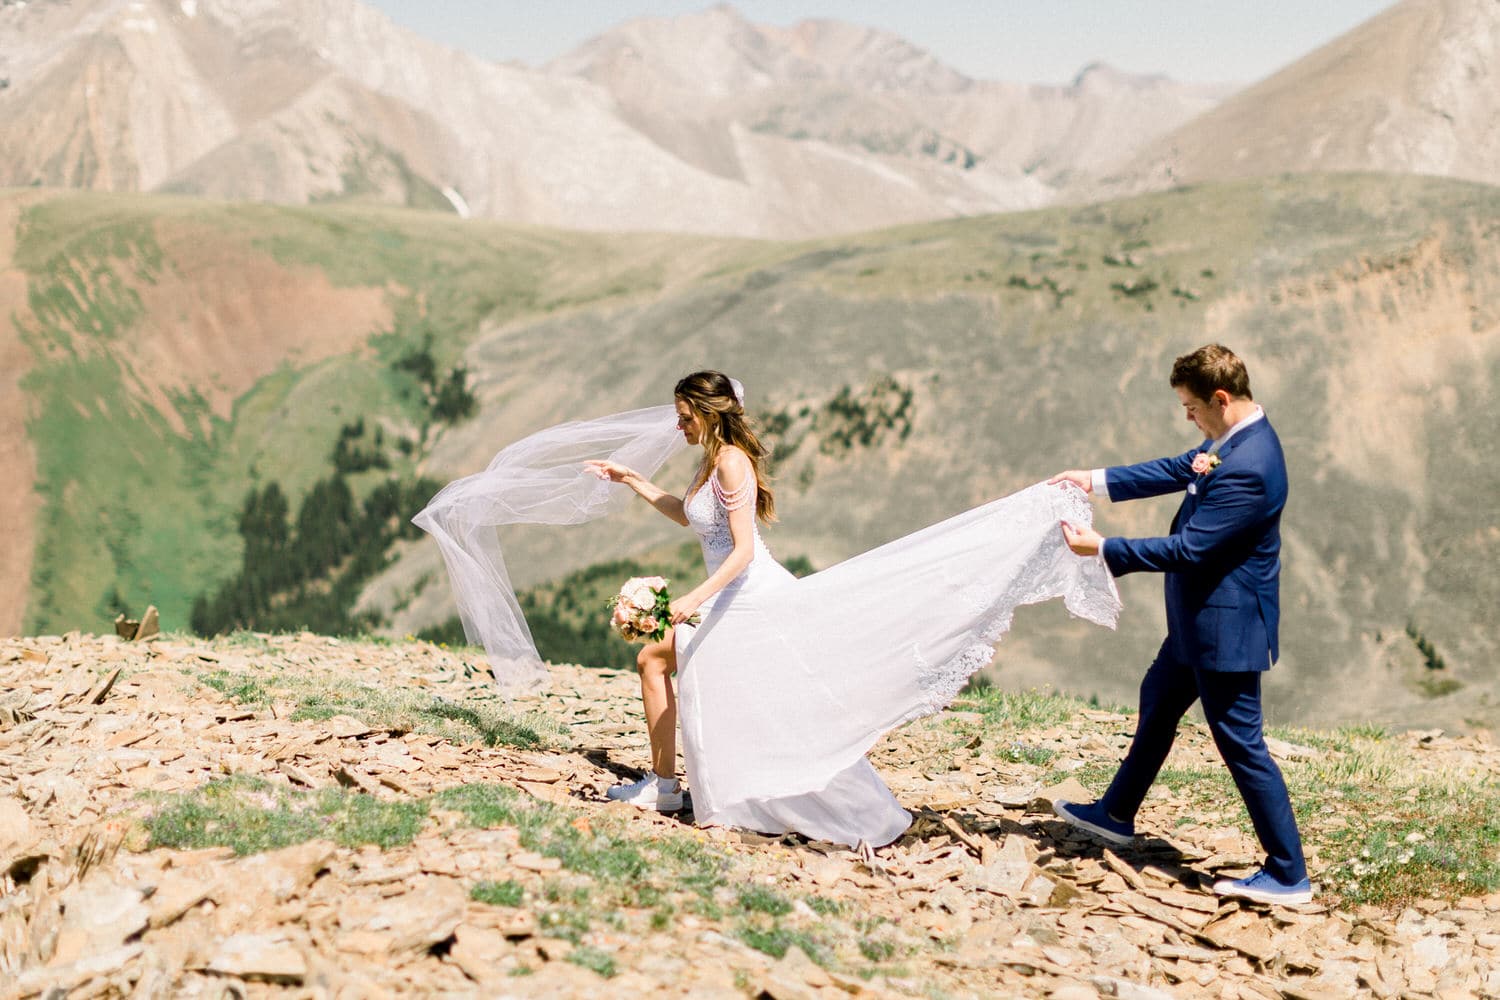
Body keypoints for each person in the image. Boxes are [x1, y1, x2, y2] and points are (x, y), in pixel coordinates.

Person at [416, 369, 1121, 850]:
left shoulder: (731, 464)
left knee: (660, 661)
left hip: (745, 597)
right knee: (729, 690)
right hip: (729, 596)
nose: (676, 424)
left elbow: (742, 552)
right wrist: (634, 480)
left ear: (704, 410)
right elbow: (695, 524)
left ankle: (668, 787)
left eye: (682, 413)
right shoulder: (710, 463)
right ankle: (670, 784)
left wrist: (688, 601)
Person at [1047, 344, 1312, 906]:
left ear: (1220, 398)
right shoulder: (1232, 439)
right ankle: (1116, 813)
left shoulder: (1251, 467)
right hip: (1200, 623)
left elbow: (1191, 548)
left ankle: (1288, 872)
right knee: (1159, 699)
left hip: (1226, 629)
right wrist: (1091, 480)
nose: (1188, 418)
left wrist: (1103, 548)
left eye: (1191, 407)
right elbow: (1177, 469)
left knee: (1241, 743)